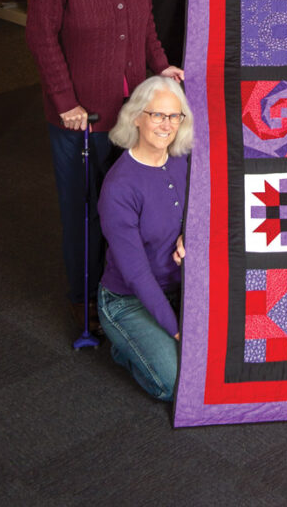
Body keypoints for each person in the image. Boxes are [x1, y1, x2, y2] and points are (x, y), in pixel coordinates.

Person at [26, 0, 183, 335]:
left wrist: (160, 66)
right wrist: (65, 100)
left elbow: (142, 19)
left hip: (130, 110)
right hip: (82, 116)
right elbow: (40, 35)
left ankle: (127, 287)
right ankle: (84, 298)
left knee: (129, 207)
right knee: (84, 210)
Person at [97, 77, 192, 401]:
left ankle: (147, 343)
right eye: (158, 115)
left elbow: (203, 211)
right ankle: (125, 348)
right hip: (128, 299)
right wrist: (177, 330)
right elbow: (137, 275)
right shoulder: (119, 187)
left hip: (180, 287)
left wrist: (187, 235)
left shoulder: (181, 160)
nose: (167, 125)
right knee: (178, 382)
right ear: (136, 116)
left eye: (175, 116)